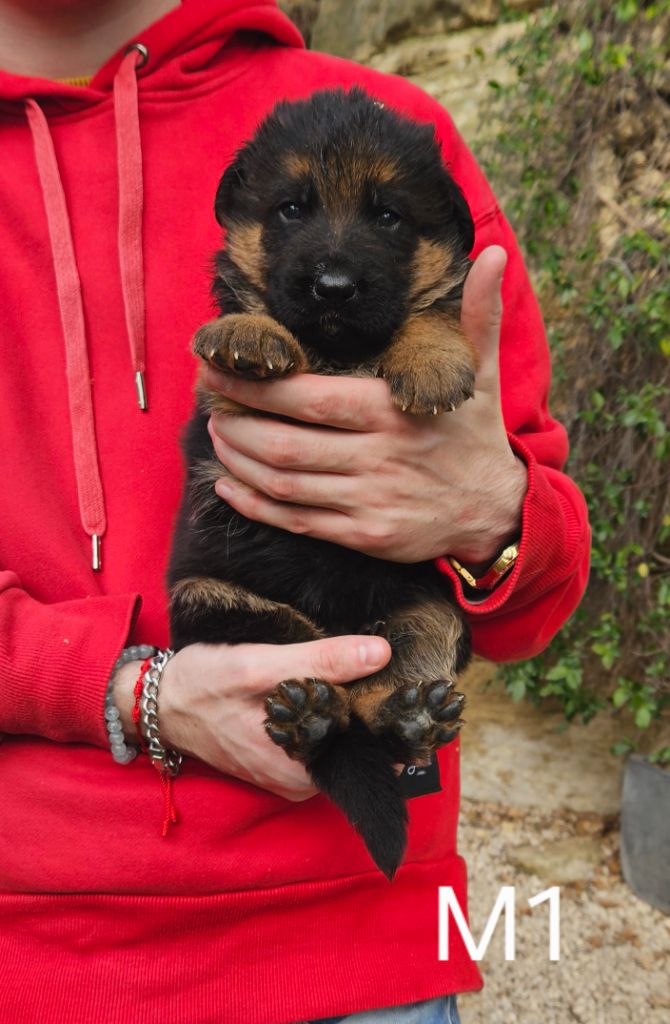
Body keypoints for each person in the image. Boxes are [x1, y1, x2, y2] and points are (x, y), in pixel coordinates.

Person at [0, 1, 591, 1022]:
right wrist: (131, 689)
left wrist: (485, 511)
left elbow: (537, 593)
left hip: (356, 938)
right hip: (32, 947)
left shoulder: (397, 123)